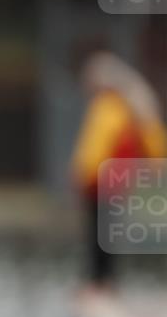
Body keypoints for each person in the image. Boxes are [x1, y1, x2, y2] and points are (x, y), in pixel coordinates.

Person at [71, 50, 167, 286]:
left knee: (102, 233)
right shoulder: (113, 107)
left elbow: (98, 147)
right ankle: (100, 279)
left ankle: (101, 280)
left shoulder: (114, 108)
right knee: (102, 232)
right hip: (102, 182)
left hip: (104, 181)